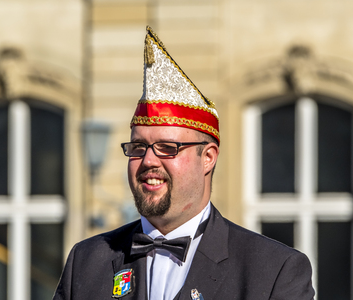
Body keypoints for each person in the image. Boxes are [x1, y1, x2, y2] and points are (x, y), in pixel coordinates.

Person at [53, 26, 315, 300]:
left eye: (167, 148)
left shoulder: (273, 271)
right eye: (138, 147)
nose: (148, 161)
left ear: (208, 158)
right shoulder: (86, 262)